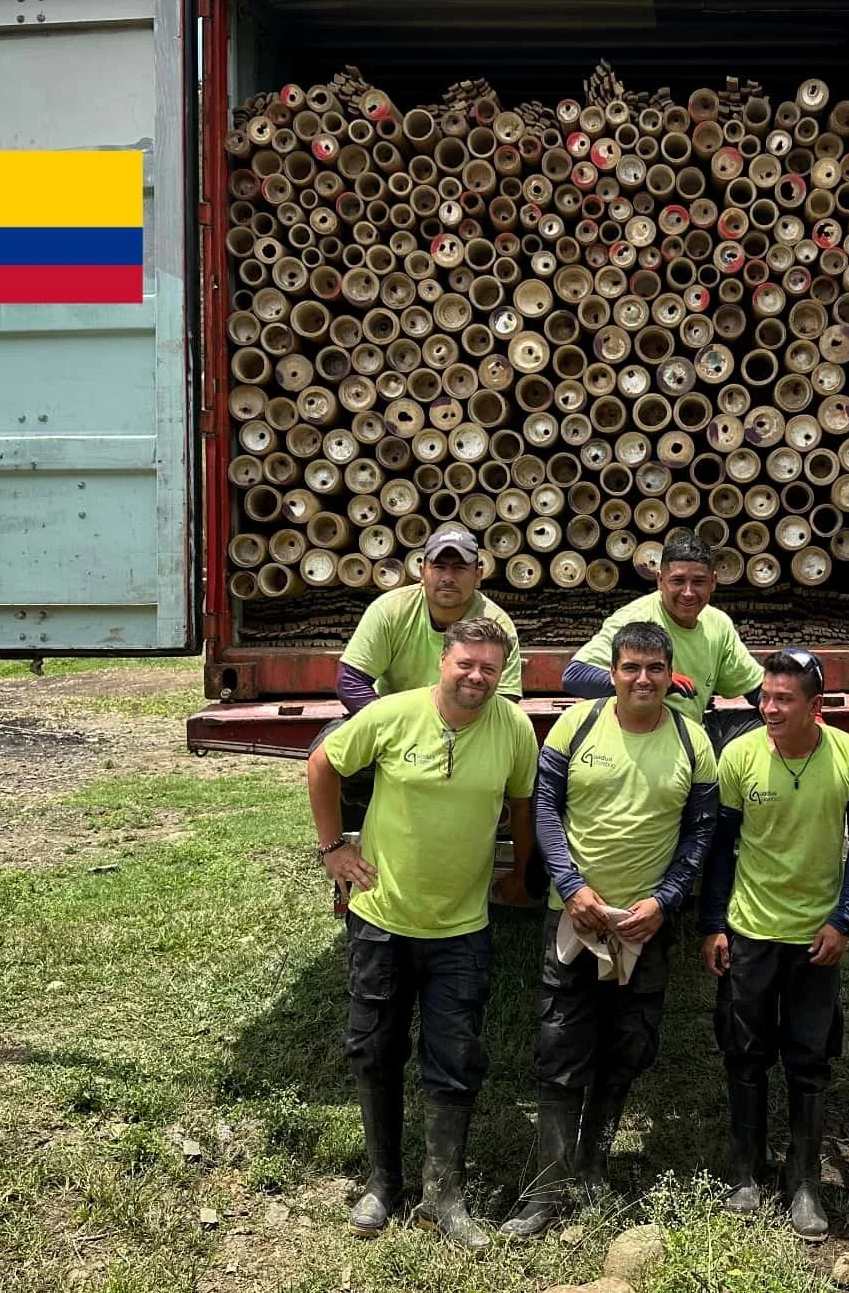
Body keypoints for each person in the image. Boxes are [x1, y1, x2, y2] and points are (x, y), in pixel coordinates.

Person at [306, 616, 537, 1250]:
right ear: (443, 659)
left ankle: (444, 1193)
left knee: (454, 1057)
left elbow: (522, 805)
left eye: (490, 668)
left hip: (462, 927)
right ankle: (384, 1183)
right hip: (383, 918)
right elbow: (323, 762)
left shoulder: (514, 728)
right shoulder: (390, 715)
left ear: (502, 673)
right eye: (467, 663)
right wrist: (333, 848)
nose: (476, 677)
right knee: (375, 1050)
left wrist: (520, 875)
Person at [502, 620, 720, 1239]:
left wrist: (667, 900)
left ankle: (593, 1167)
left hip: (643, 924)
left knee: (627, 1045)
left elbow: (701, 832)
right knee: (560, 1044)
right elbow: (545, 805)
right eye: (631, 668)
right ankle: (547, 1186)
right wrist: (571, 887)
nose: (642, 680)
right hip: (575, 915)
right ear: (614, 671)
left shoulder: (693, 740)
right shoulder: (579, 724)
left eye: (655, 669)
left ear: (670, 674)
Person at [700, 648, 849, 1242]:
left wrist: (843, 920)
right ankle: (745, 1174)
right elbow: (721, 847)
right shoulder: (740, 756)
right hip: (751, 931)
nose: (769, 709)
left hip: (814, 939)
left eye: (783, 700)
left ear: (815, 706)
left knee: (809, 1058)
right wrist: (713, 924)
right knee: (744, 1053)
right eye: (764, 698)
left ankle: (804, 1182)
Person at [324, 524, 523, 829]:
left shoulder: (496, 623)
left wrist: (452, 742)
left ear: (479, 574)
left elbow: (506, 699)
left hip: (468, 730)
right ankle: (349, 841)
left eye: (460, 568)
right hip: (396, 728)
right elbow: (350, 680)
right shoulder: (391, 610)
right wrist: (397, 732)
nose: (448, 577)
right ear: (422, 570)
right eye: (439, 566)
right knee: (327, 748)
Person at [563, 531, 765, 752]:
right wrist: (657, 681)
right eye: (678, 581)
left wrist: (790, 707)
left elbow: (754, 686)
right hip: (639, 735)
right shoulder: (635, 618)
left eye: (698, 582)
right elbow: (575, 676)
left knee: (781, 724)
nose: (688, 593)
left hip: (692, 729)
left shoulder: (717, 623)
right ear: (660, 580)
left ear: (714, 582)